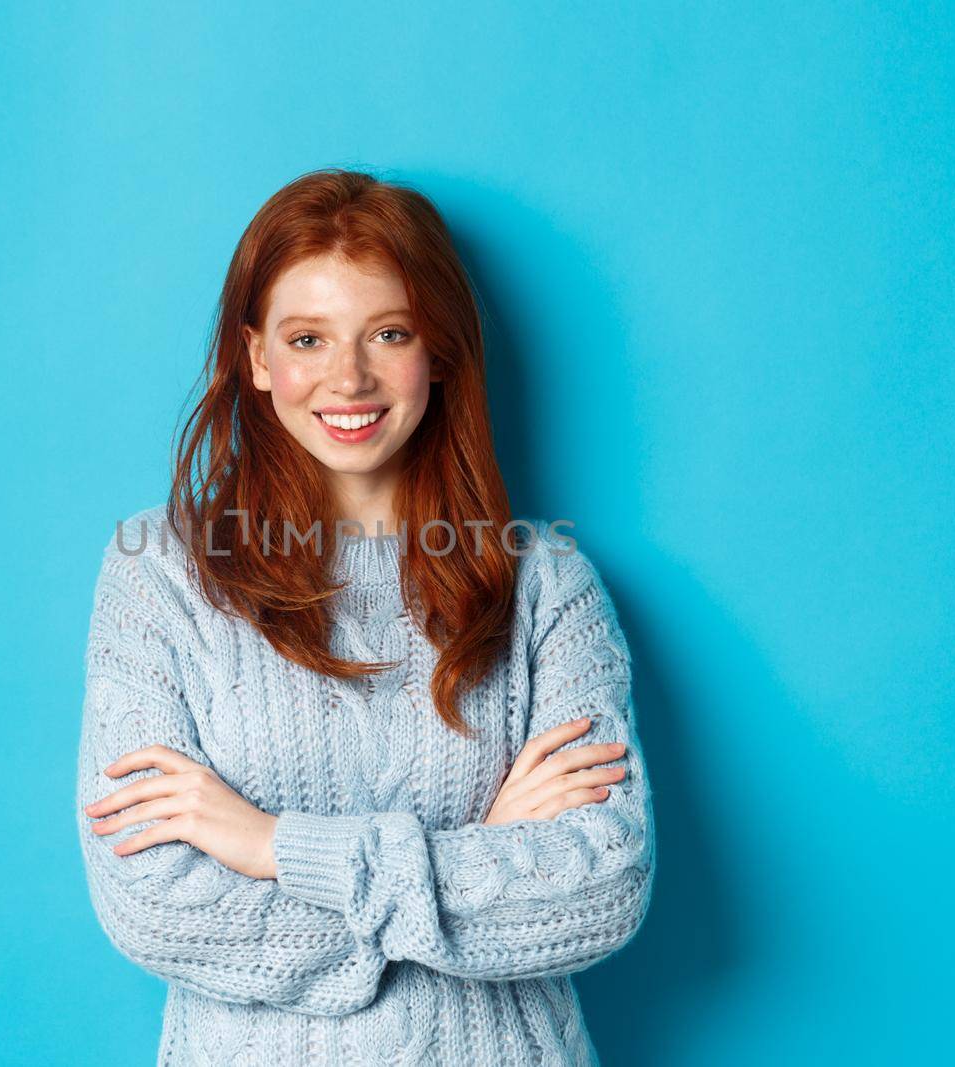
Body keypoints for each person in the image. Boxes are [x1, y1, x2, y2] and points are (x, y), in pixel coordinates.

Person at [75, 168, 655, 1066]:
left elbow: (602, 884)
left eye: (389, 333)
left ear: (440, 351)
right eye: (308, 338)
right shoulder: (160, 575)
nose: (348, 378)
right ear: (258, 356)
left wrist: (272, 845)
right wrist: (485, 856)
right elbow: (152, 903)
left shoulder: (546, 582)